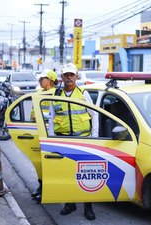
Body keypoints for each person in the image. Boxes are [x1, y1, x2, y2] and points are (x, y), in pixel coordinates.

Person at [48, 63, 98, 220]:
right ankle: (70, 204)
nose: (69, 77)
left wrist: (94, 138)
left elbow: (95, 114)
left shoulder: (83, 93)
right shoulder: (56, 95)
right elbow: (51, 117)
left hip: (83, 140)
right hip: (64, 141)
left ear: (76, 77)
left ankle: (88, 207)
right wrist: (51, 139)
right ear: (62, 78)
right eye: (66, 75)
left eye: (72, 75)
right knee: (68, 174)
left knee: (86, 175)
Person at [31, 69, 58, 203]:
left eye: (43, 79)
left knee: (50, 163)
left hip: (52, 133)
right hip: (40, 132)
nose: (40, 81)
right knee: (40, 162)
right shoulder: (38, 93)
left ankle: (48, 190)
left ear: (50, 80)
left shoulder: (56, 94)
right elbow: (32, 114)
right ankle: (41, 187)